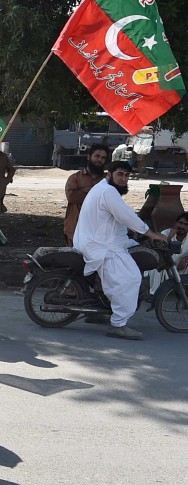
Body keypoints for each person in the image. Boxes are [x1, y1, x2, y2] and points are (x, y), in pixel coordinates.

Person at [73, 161, 166, 340]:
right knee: (131, 278)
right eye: (120, 174)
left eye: (126, 175)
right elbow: (126, 215)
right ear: (110, 174)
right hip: (102, 245)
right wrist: (150, 233)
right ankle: (118, 324)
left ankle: (98, 311)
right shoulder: (108, 192)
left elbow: (120, 214)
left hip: (101, 240)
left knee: (131, 255)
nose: (123, 179)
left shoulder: (103, 188)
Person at [64, 144, 108, 246]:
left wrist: (84, 190)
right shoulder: (74, 178)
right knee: (74, 259)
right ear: (89, 157)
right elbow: (72, 197)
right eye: (97, 156)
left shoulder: (108, 179)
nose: (99, 160)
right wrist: (96, 191)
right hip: (75, 228)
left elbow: (111, 199)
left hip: (99, 230)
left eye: (103, 158)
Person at [148, 213, 188, 294]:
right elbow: (160, 250)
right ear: (176, 223)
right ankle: (155, 295)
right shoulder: (166, 233)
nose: (182, 226)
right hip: (166, 265)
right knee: (157, 268)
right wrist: (169, 237)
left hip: (181, 267)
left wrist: (185, 258)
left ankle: (183, 293)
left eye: (186, 224)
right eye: (180, 223)